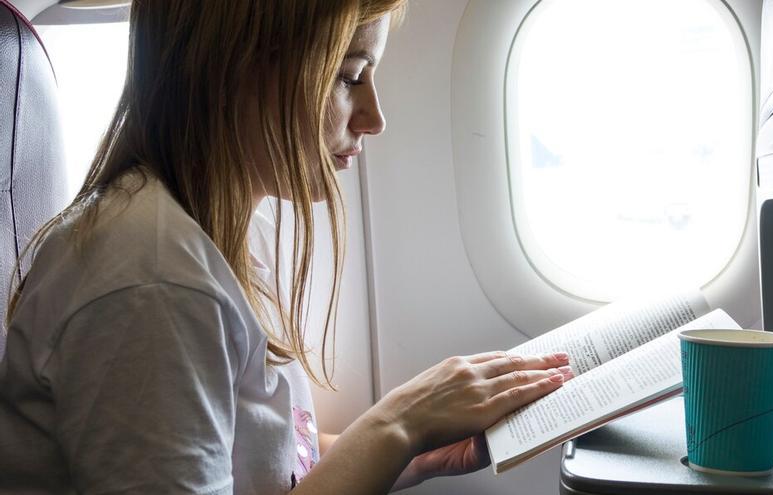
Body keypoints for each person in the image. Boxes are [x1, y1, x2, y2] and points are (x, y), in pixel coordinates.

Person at [0, 1, 574, 493]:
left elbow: (269, 463)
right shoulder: (150, 282)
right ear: (235, 68)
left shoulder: (207, 236)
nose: (375, 118)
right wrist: (397, 423)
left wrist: (414, 450)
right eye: (349, 76)